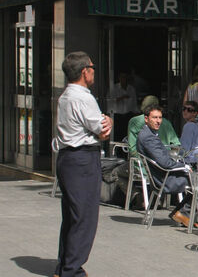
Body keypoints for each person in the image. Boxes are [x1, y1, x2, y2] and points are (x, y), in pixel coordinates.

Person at [54, 51, 113, 277]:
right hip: (82, 159)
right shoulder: (83, 97)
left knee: (71, 216)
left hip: (68, 159)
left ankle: (64, 266)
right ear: (84, 72)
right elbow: (103, 132)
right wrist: (109, 120)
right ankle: (72, 269)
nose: (94, 71)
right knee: (84, 217)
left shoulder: (66, 96)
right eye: (92, 67)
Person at [137, 105, 198, 228]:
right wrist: (184, 167)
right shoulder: (148, 137)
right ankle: (182, 213)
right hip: (165, 179)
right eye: (154, 117)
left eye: (160, 117)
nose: (158, 121)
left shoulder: (149, 133)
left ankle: (182, 213)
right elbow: (165, 163)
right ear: (146, 119)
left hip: (165, 175)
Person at [108, 71, 137, 141]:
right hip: (117, 115)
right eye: (122, 77)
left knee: (127, 135)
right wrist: (121, 98)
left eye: (125, 77)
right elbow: (109, 101)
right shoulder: (114, 88)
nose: (124, 79)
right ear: (119, 78)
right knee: (117, 135)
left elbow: (134, 102)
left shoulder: (131, 89)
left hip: (128, 115)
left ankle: (125, 151)